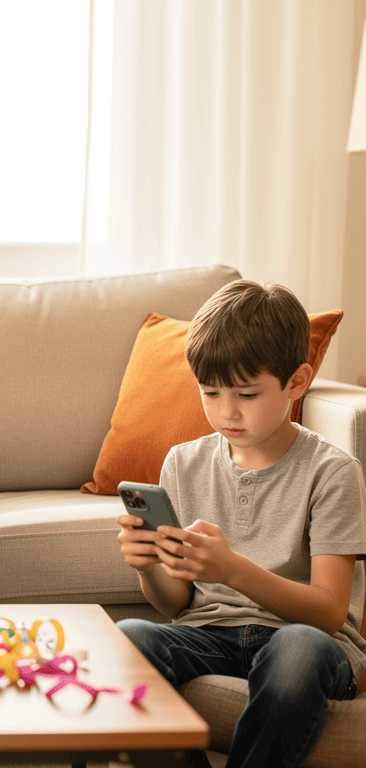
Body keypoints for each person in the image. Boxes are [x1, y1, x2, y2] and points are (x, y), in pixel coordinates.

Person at [115, 280, 366, 768]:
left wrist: (233, 570)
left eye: (246, 394)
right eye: (210, 392)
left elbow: (329, 613)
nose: (226, 411)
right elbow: (178, 604)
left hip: (305, 639)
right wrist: (148, 568)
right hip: (211, 632)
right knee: (127, 637)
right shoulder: (183, 463)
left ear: (297, 382)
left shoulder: (333, 472)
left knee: (295, 652)